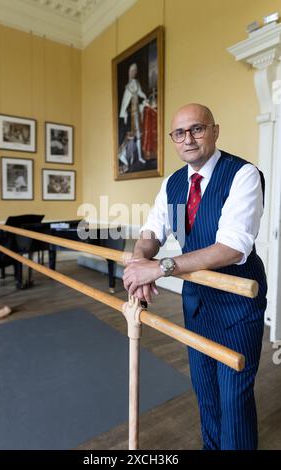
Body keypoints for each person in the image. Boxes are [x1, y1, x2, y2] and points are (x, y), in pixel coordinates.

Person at [123, 103, 267, 450]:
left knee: (233, 397)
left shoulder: (243, 174)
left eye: (197, 129)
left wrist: (159, 267)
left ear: (214, 131)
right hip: (198, 303)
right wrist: (141, 260)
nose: (188, 138)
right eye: (179, 133)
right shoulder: (174, 184)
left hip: (237, 304)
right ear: (173, 139)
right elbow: (153, 231)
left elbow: (232, 247)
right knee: (205, 391)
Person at [119, 63, 148, 169]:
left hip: (137, 113)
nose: (134, 72)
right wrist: (124, 114)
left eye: (135, 70)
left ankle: (139, 156)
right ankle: (126, 156)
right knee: (131, 135)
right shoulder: (128, 87)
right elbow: (125, 102)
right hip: (131, 114)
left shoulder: (136, 83)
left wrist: (145, 97)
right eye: (133, 71)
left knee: (139, 134)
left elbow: (140, 93)